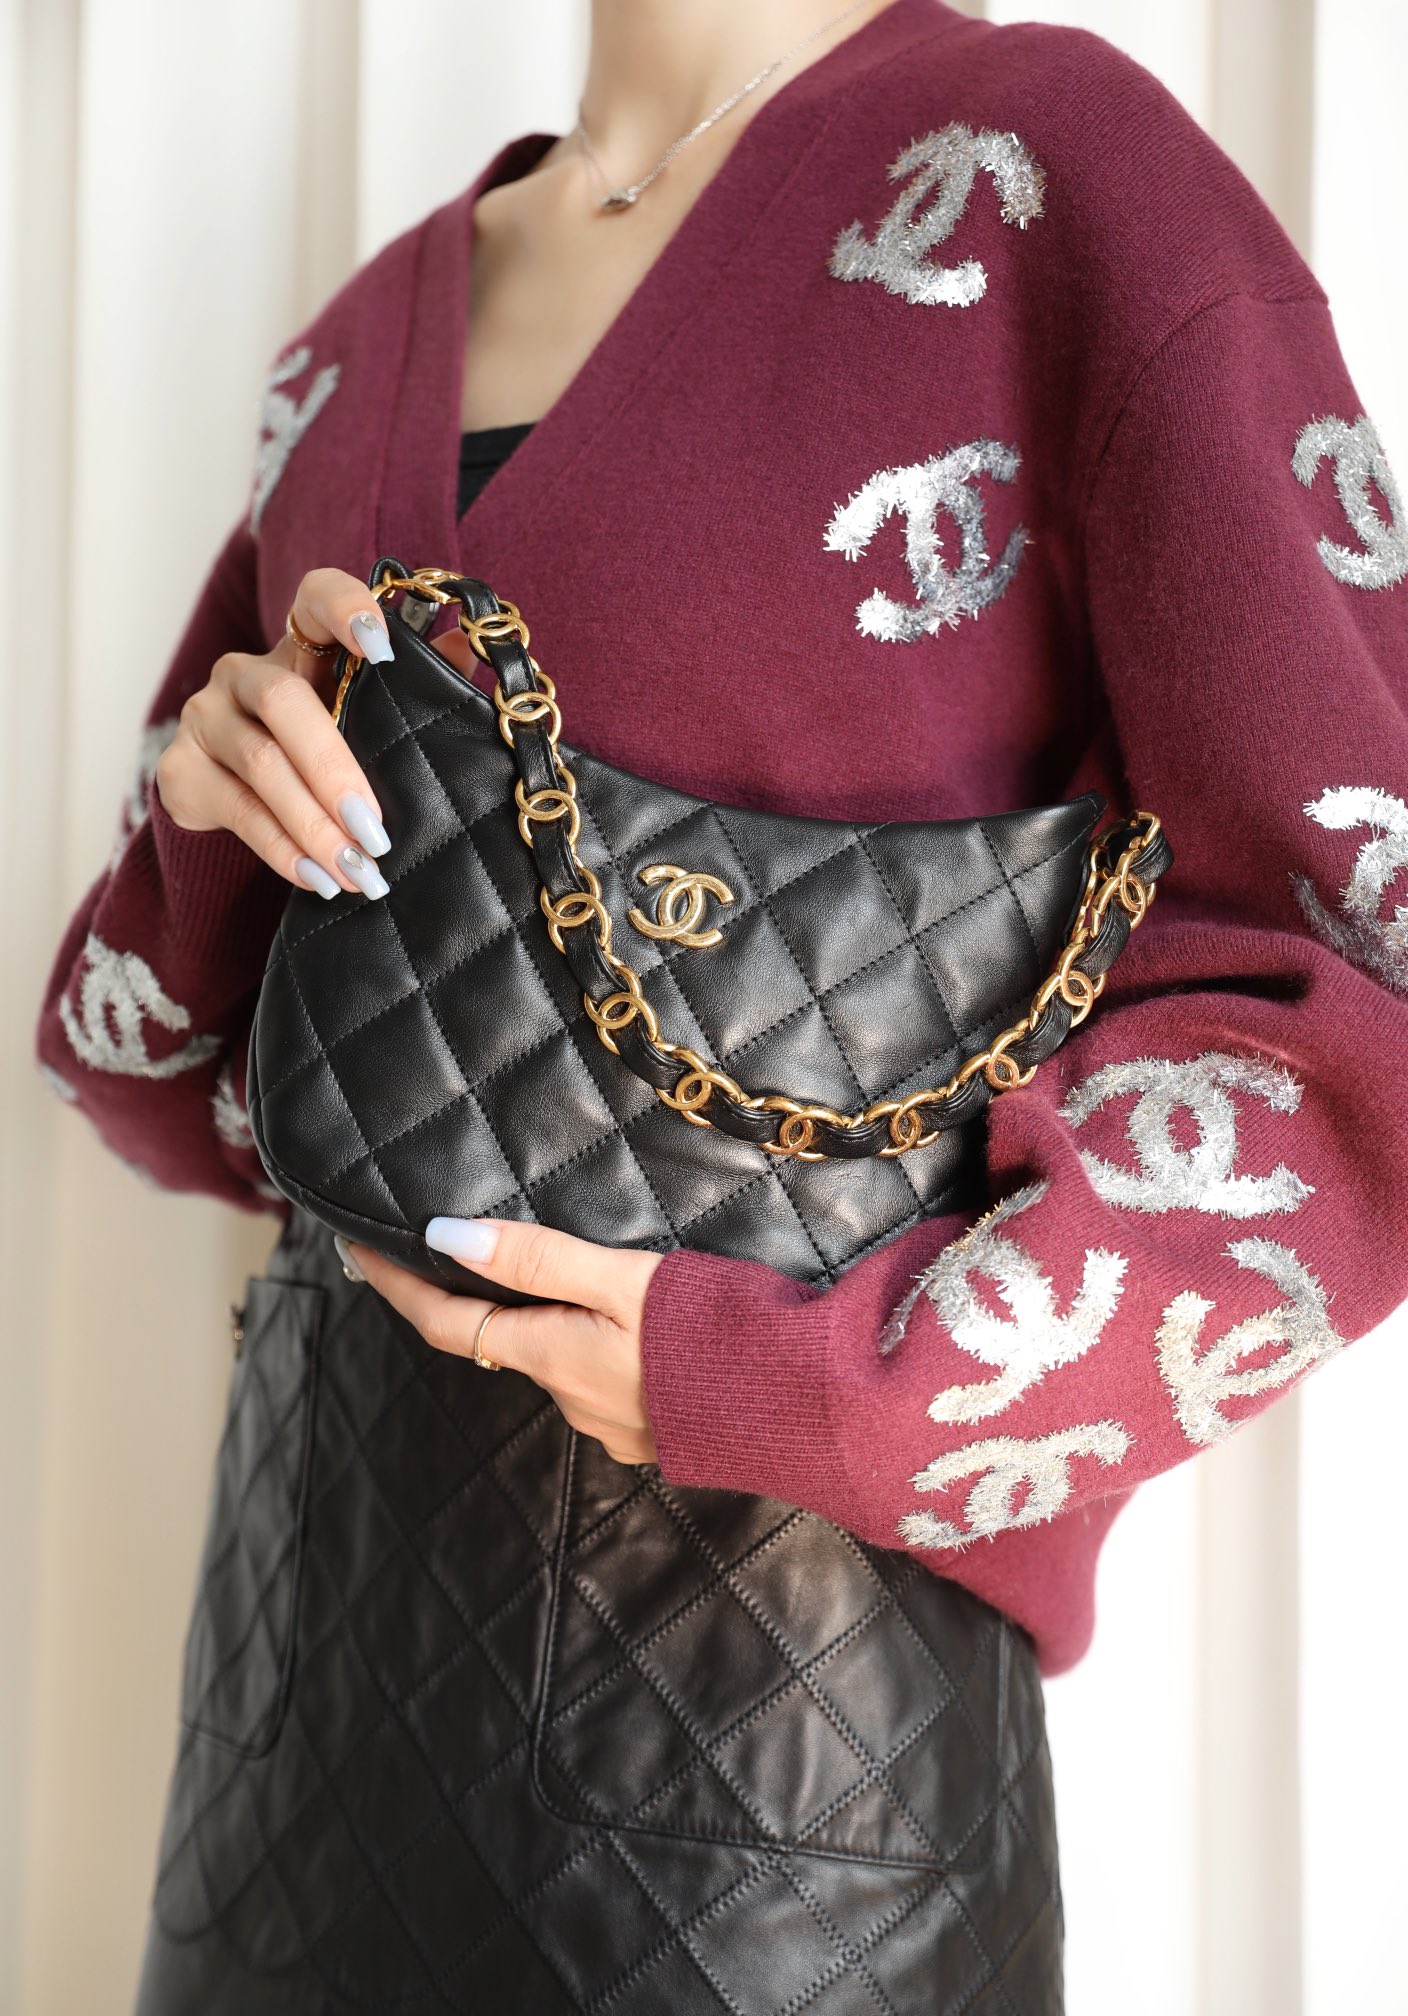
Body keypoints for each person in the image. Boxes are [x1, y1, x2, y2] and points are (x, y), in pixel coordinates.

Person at [35, 0, 1408, 2008]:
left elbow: (1359, 983)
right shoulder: (351, 346)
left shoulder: (1052, 178)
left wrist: (831, 1390)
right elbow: (175, 1107)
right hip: (306, 1699)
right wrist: (214, 824)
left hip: (789, 1759)